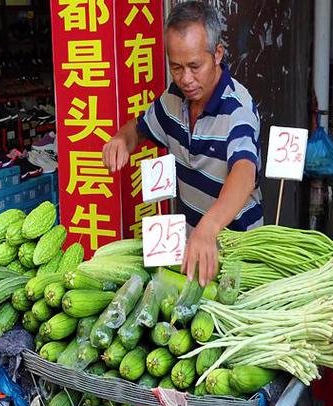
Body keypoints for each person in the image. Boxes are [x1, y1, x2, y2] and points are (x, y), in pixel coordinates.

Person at [102, 1, 263, 287]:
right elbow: (138, 129)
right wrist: (121, 140)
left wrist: (209, 228)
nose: (185, 79)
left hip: (239, 251)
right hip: (193, 248)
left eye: (194, 66)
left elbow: (244, 173)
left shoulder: (238, 108)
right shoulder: (173, 99)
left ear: (217, 54)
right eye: (176, 67)